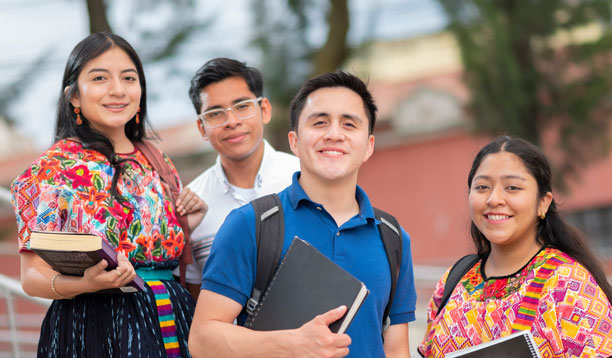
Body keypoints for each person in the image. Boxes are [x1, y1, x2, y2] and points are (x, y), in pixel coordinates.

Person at [188, 71, 417, 357]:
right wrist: (293, 344)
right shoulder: (250, 224)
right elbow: (202, 341)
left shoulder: (393, 237)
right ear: (294, 141)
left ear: (368, 146)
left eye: (349, 124)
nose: (334, 134)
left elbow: (396, 349)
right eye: (319, 122)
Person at [10, 32, 207, 357]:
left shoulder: (158, 161)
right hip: (92, 327)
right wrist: (86, 284)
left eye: (129, 78)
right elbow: (33, 276)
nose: (117, 89)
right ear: (73, 96)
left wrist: (189, 224)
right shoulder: (51, 169)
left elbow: (165, 255)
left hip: (171, 319)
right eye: (100, 78)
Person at [418, 136, 612, 358]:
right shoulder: (453, 282)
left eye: (512, 187)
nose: (494, 199)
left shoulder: (568, 285)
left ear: (543, 202)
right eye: (482, 187)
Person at [175, 58, 299, 298]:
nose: (231, 122)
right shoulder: (190, 205)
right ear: (201, 128)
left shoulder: (304, 178)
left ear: (264, 110)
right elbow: (195, 299)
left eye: (242, 106)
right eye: (215, 113)